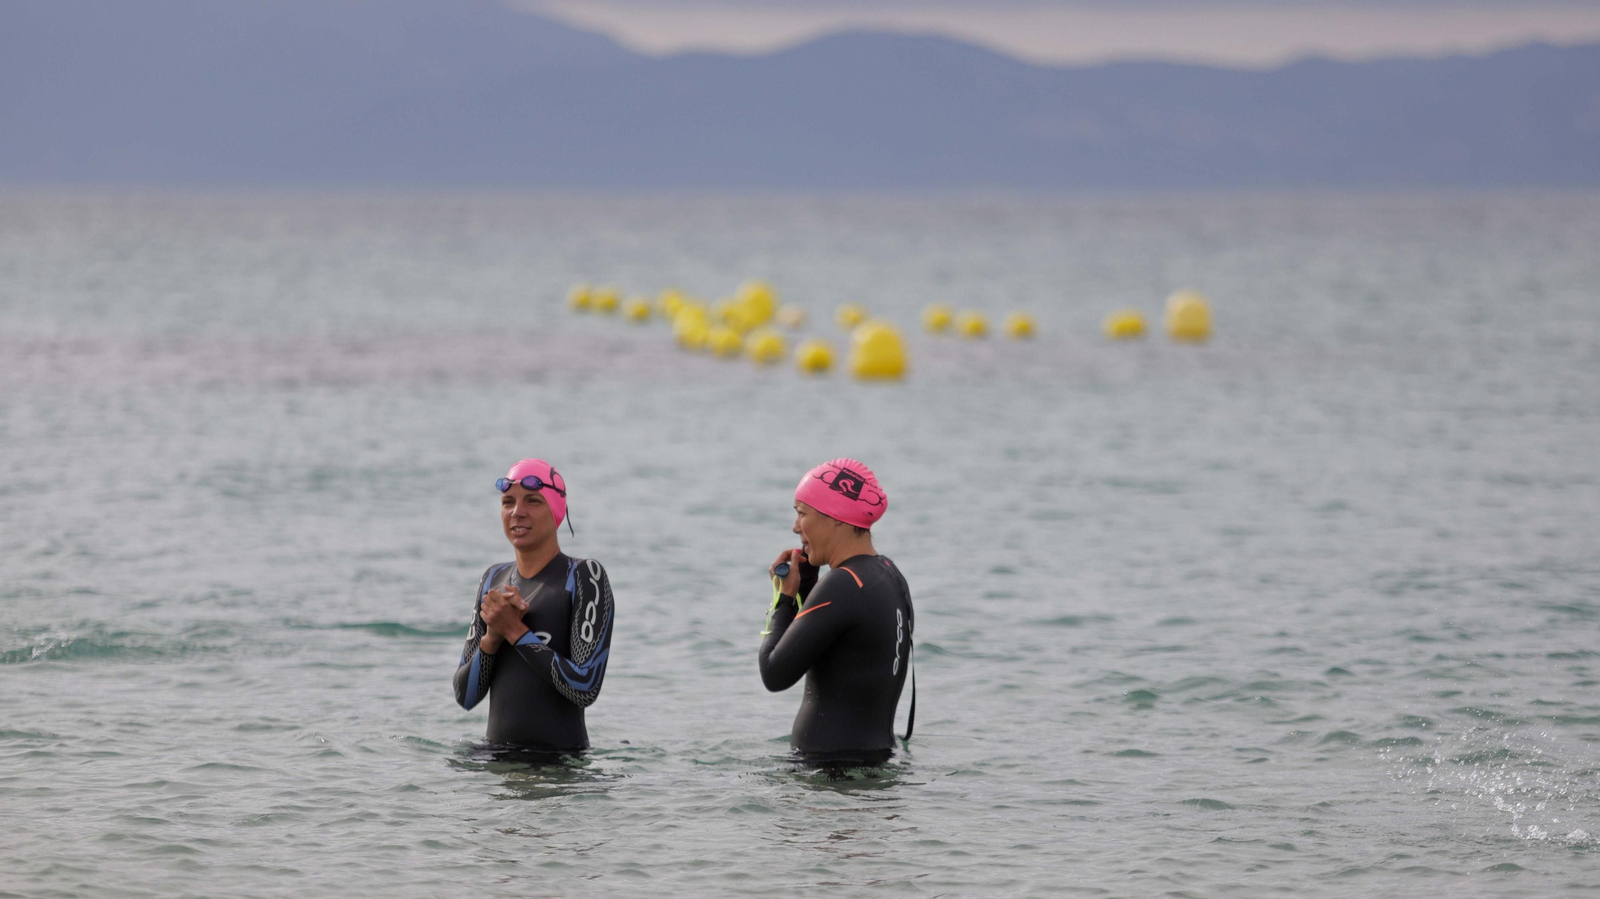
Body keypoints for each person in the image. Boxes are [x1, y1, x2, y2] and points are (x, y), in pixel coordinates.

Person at [453, 458, 614, 751]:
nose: (517, 512)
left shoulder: (583, 577)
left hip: (559, 770)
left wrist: (515, 630)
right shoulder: (492, 579)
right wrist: (493, 636)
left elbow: (585, 686)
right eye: (507, 502)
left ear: (556, 510)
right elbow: (465, 696)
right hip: (496, 769)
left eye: (533, 501)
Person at [760, 458, 914, 761]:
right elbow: (849, 660)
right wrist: (806, 589)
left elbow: (774, 673)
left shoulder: (843, 585)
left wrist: (782, 599)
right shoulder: (890, 576)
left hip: (830, 778)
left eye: (802, 513)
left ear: (836, 517)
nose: (795, 527)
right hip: (876, 763)